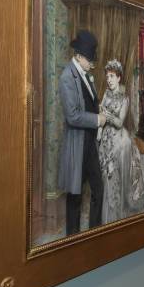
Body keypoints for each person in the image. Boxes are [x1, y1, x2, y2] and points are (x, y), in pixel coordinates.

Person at [58, 30, 106, 236]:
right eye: (89, 59)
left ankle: (94, 235)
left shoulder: (86, 75)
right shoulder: (67, 76)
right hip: (77, 145)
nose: (92, 63)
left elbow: (90, 102)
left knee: (98, 189)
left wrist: (99, 111)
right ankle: (72, 240)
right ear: (78, 56)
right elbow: (73, 116)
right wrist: (97, 119)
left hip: (90, 144)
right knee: (75, 197)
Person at [98, 59, 144, 224]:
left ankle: (115, 217)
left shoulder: (124, 98)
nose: (109, 79)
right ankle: (106, 217)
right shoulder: (106, 93)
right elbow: (101, 113)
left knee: (115, 178)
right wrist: (99, 131)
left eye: (112, 76)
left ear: (119, 78)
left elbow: (120, 122)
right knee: (105, 177)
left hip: (119, 142)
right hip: (105, 139)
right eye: (108, 76)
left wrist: (107, 115)